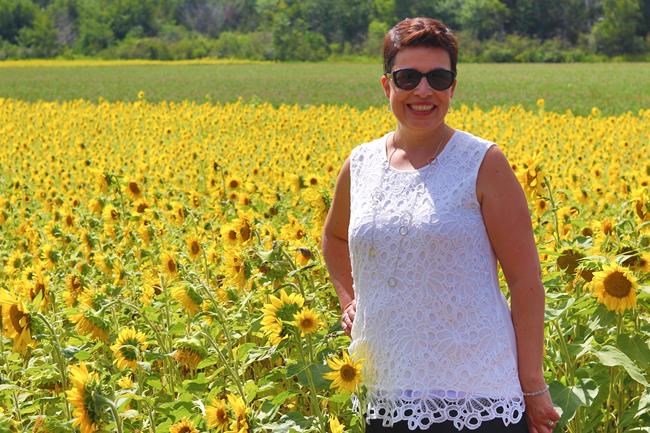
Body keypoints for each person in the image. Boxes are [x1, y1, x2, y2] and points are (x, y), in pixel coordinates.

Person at [321, 17, 561, 433]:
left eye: (438, 78)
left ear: (452, 87)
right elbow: (334, 236)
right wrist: (349, 301)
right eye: (408, 77)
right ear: (387, 85)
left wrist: (533, 385)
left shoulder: (483, 163)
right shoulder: (359, 164)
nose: (423, 90)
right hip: (388, 389)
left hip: (478, 395)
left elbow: (525, 283)